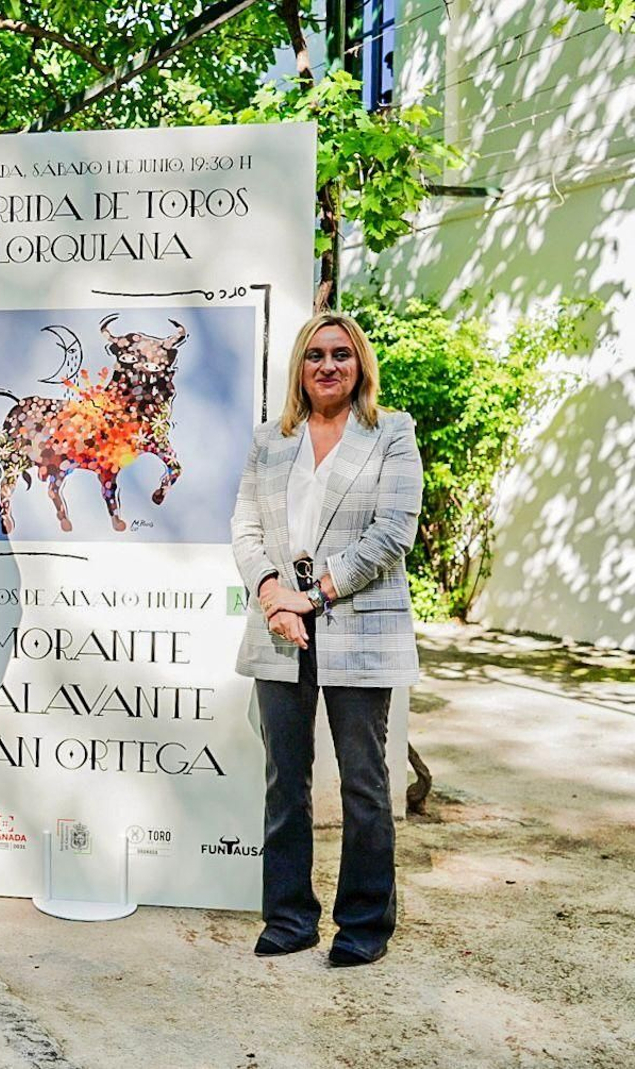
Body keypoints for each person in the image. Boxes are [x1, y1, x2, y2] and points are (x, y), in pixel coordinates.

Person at [230, 311, 423, 967]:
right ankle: (288, 916)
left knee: (364, 785)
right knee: (285, 779)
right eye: (315, 355)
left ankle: (364, 923)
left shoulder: (391, 433)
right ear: (299, 367)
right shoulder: (270, 439)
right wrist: (270, 596)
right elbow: (245, 527)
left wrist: (309, 597)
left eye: (342, 353)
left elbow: (392, 533)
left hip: (360, 626)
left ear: (360, 363)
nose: (329, 365)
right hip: (279, 628)